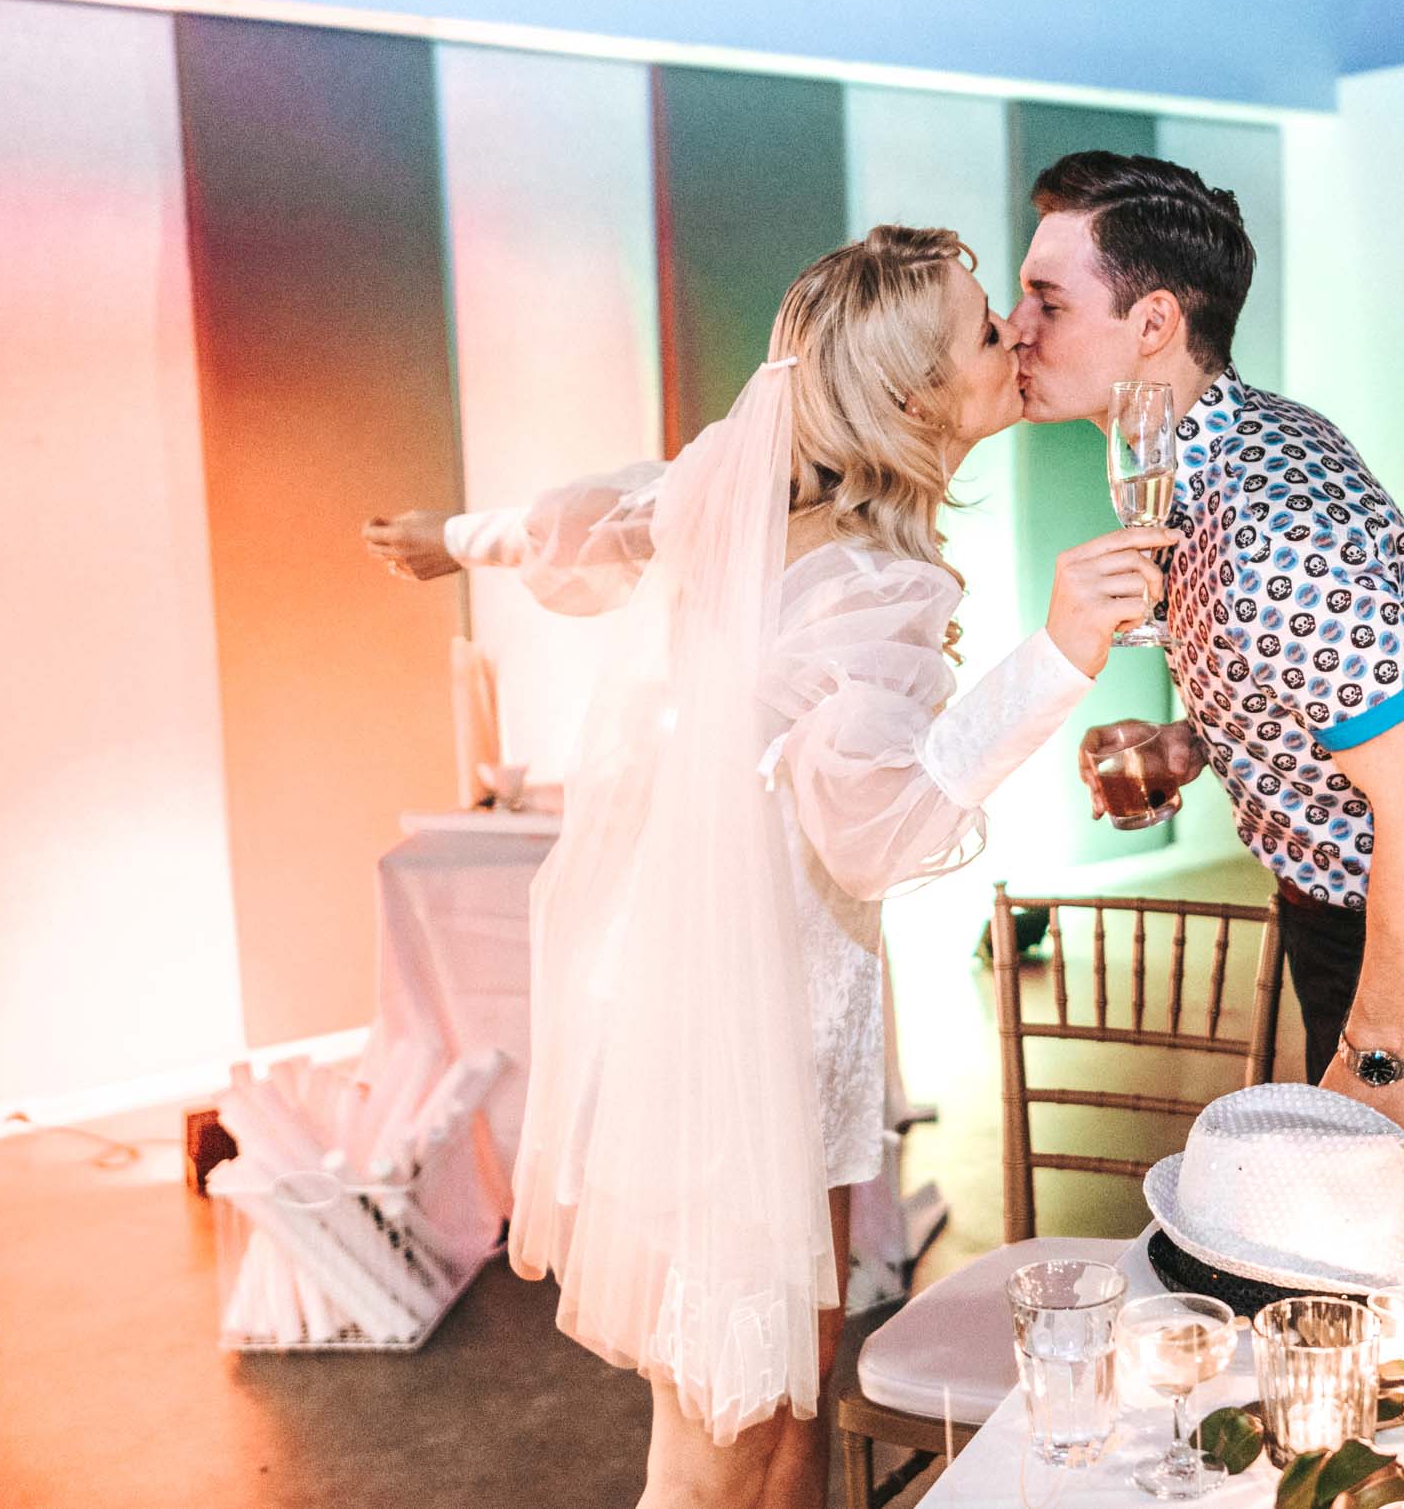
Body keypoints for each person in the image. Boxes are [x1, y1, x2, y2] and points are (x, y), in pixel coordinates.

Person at [364, 226, 1174, 1509]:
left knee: (792, 1399)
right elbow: (883, 828)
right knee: (715, 1455)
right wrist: (1058, 655)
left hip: (741, 1015)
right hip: (737, 1049)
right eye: (984, 329)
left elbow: (606, 511)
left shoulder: (745, 503)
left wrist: (455, 534)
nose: (1014, 337)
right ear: (915, 397)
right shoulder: (868, 585)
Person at [1011, 152, 1404, 1219]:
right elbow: (1298, 680)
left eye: (1046, 300)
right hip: (1334, 913)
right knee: (1352, 1242)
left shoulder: (1277, 523)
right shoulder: (1180, 456)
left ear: (1151, 322)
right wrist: (1186, 745)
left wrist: (1378, 1053)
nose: (1014, 325)